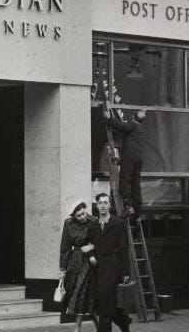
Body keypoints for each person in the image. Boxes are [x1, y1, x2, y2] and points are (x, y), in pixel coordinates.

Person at [88, 193, 131, 332]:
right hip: (98, 269)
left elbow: (125, 249)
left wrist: (125, 272)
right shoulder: (93, 226)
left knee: (105, 307)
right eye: (100, 203)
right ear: (96, 205)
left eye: (105, 203)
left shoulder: (118, 223)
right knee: (109, 305)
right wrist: (91, 255)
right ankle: (124, 323)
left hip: (114, 267)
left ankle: (116, 325)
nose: (102, 205)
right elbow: (87, 245)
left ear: (110, 205)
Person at [59, 201, 98, 332]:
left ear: (85, 210)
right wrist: (62, 269)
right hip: (74, 260)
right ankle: (98, 324)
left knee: (80, 289)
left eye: (83, 213)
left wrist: (92, 248)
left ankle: (78, 327)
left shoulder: (94, 221)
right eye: (78, 215)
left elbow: (102, 241)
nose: (82, 217)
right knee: (78, 291)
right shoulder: (68, 223)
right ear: (73, 216)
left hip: (90, 261)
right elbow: (64, 247)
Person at [102, 108, 145, 217]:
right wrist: (121, 160)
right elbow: (133, 149)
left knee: (124, 182)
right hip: (138, 157)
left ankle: (129, 207)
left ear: (132, 118)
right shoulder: (139, 129)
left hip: (130, 155)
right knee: (135, 183)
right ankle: (137, 211)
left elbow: (122, 127)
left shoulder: (133, 125)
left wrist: (109, 118)